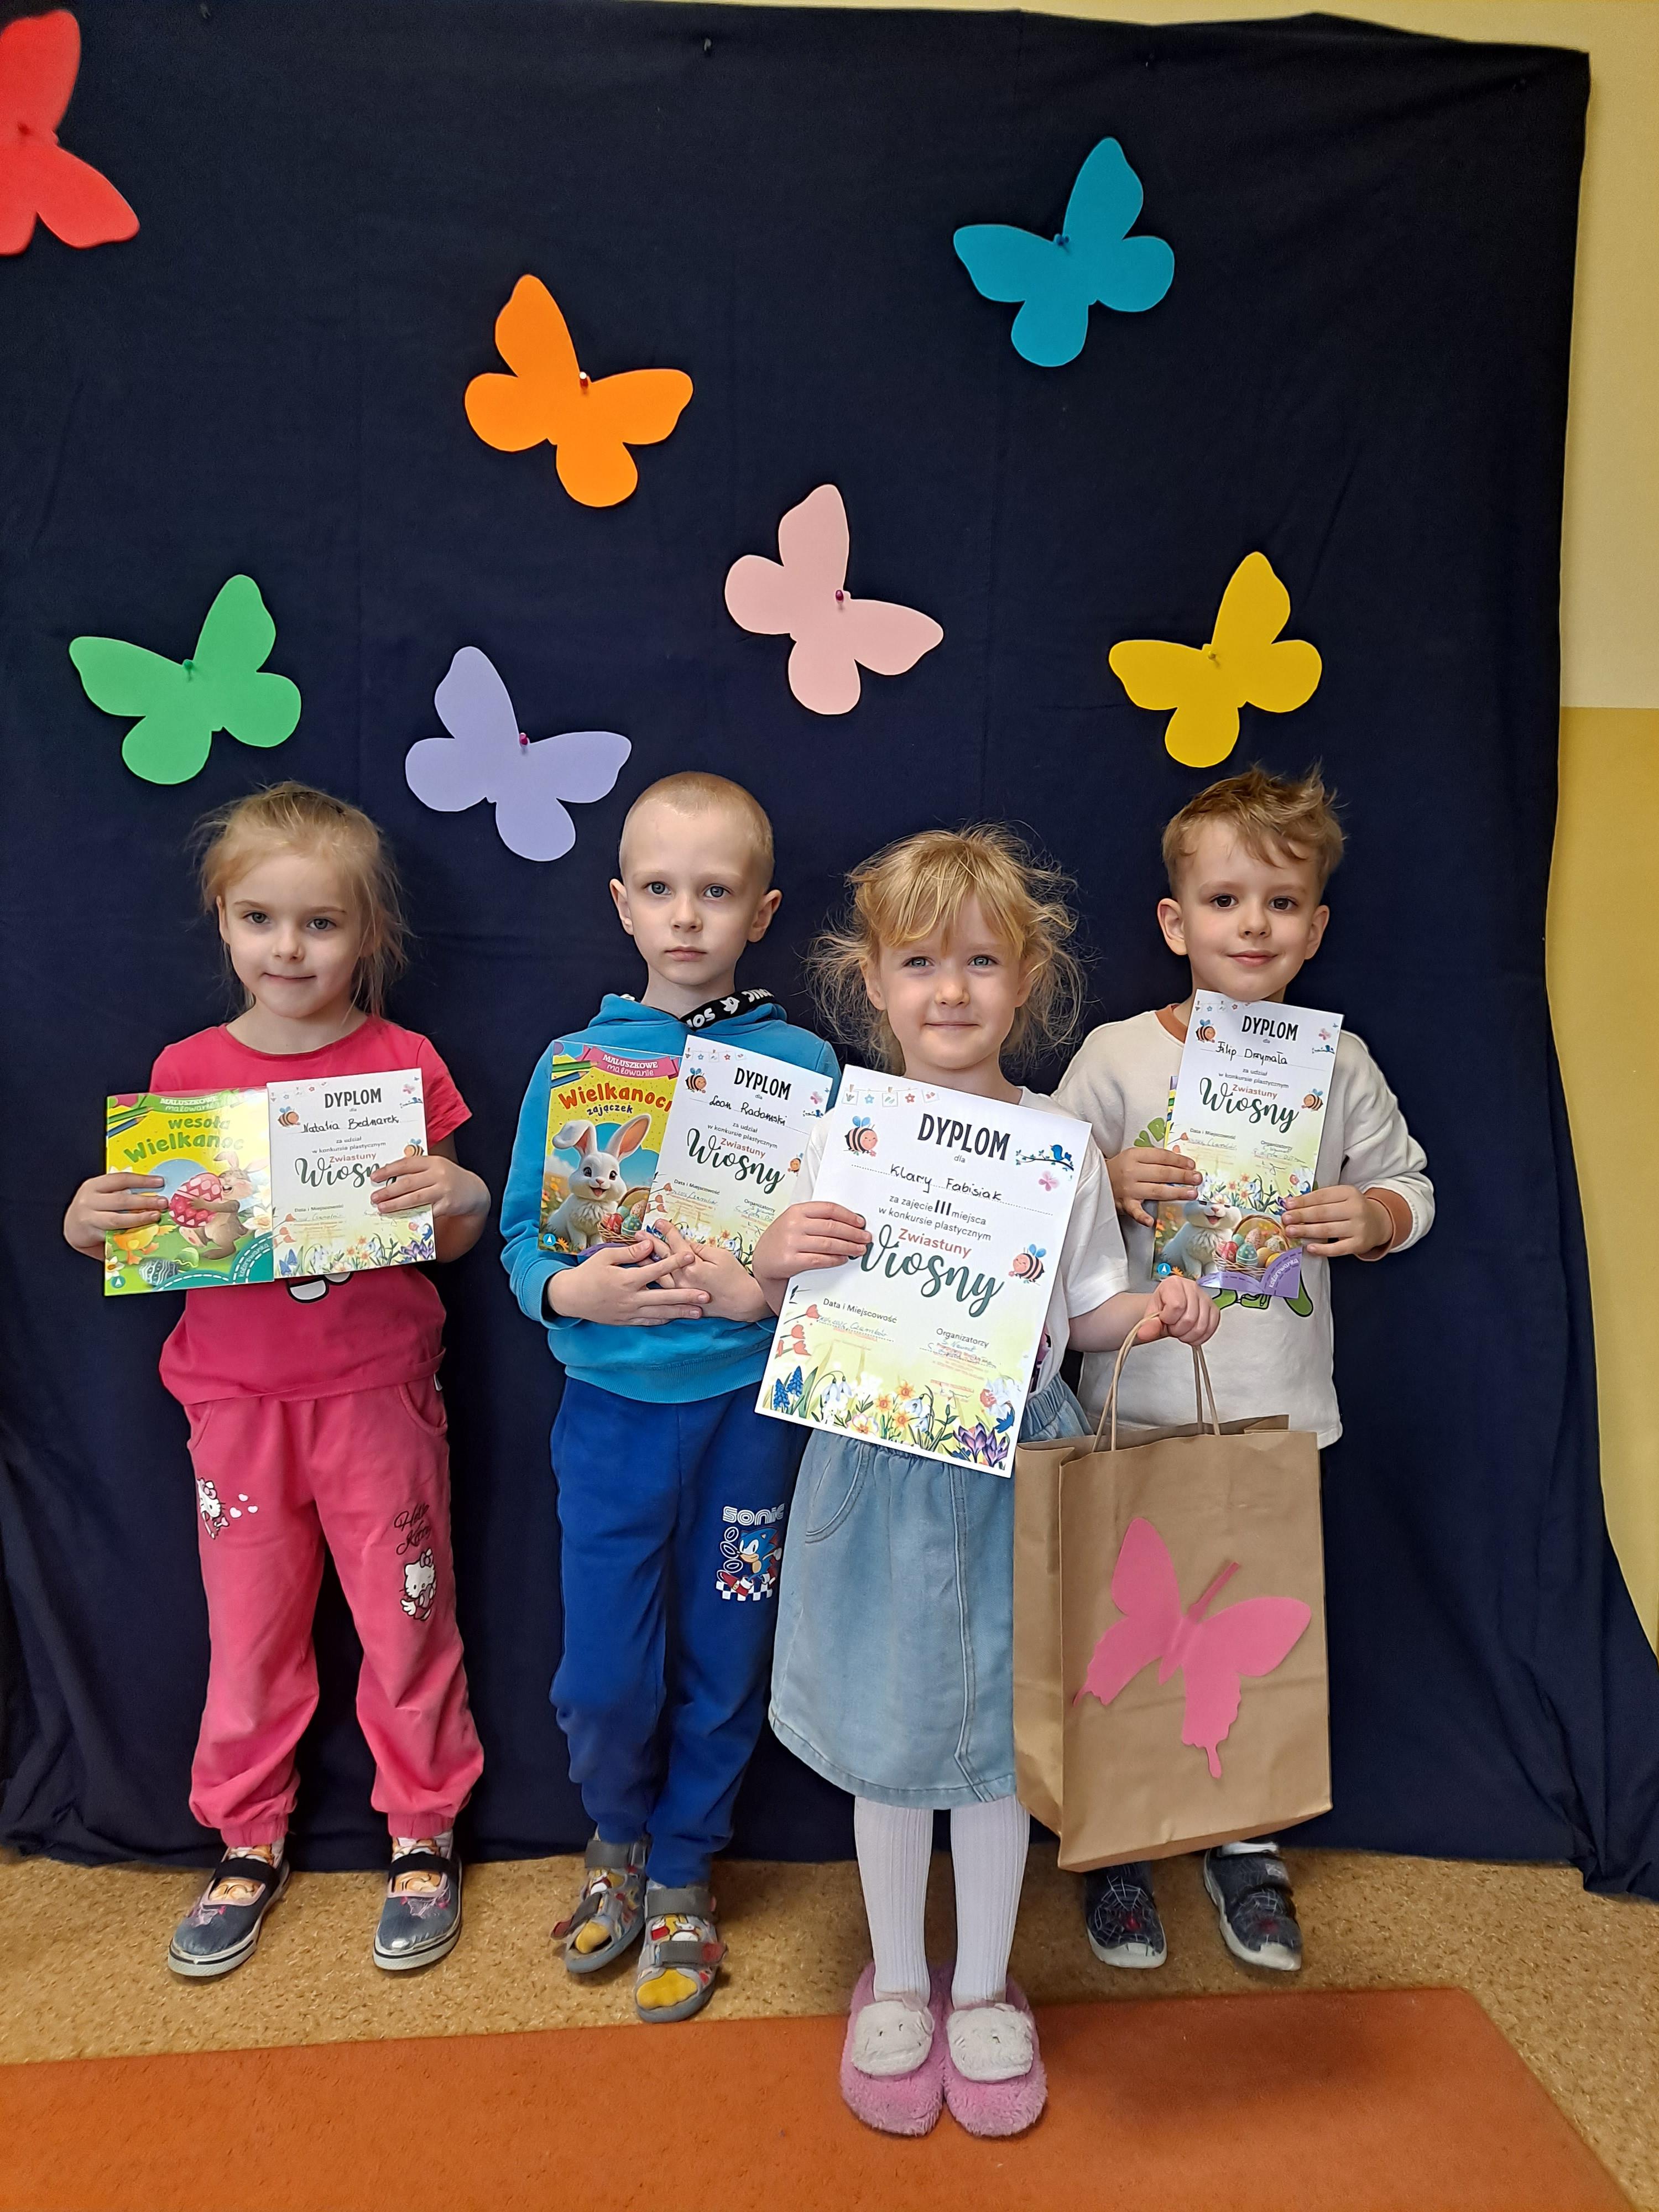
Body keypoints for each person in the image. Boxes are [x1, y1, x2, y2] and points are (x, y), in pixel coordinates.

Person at [752, 825, 1220, 2138]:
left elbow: (1088, 1310)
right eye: (919, 962)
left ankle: (981, 1986)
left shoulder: (1061, 1141)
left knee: (1003, 1746)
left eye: (979, 962)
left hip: (1023, 1470)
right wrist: (773, 1254)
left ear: (1027, 979)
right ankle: (898, 1978)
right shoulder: (841, 1129)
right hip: (879, 1467)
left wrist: (1159, 1310)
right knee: (892, 1734)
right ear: (873, 979)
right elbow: (776, 1299)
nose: (949, 989)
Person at [62, 782, 489, 1980]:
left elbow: (450, 1237)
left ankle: (423, 1827)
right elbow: (156, 1236)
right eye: (260, 918)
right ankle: (247, 1835)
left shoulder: (403, 1062)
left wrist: (463, 1195)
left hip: (378, 1395)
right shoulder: (185, 1070)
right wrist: (92, 1224)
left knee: (407, 1619)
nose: (288, 948)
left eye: (320, 923)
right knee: (249, 1635)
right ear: (222, 921)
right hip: (235, 1407)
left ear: (367, 934)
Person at [1056, 765, 1434, 1977]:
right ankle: (1118, 1842)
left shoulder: (1341, 1062)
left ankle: (1247, 1841)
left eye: (1281, 903)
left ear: (1316, 928)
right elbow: (1034, 1191)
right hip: (1134, 1403)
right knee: (1120, 1628)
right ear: (1177, 922)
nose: (1253, 926)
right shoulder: (1118, 1055)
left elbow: (1412, 1183)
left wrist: (1372, 1215)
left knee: (1253, 1634)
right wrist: (1105, 1178)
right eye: (1225, 901)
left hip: (1275, 1409)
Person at [500, 771, 838, 2025]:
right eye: (659, 888)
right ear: (621, 903)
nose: (686, 916)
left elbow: (839, 1253)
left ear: (763, 911)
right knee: (604, 1673)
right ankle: (616, 1839)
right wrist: (568, 1289)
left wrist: (765, 1285)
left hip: (750, 1420)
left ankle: (688, 1869)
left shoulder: (806, 1066)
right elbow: (523, 1239)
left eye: (716, 891)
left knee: (728, 1650)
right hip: (609, 1420)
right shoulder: (573, 1063)